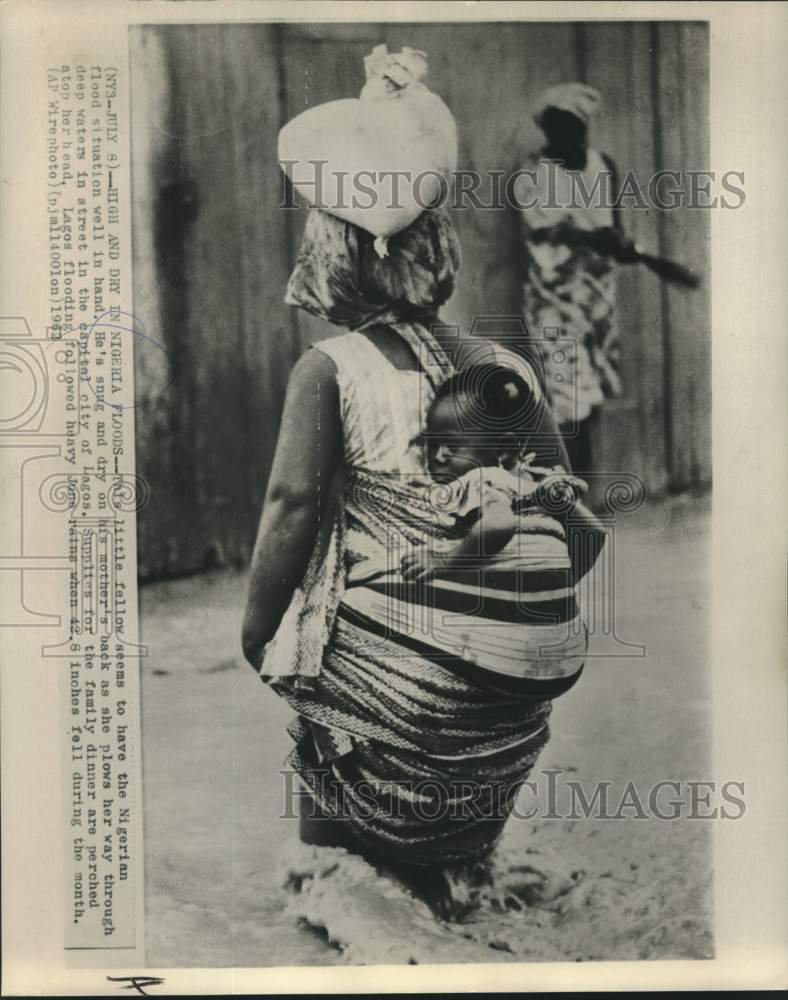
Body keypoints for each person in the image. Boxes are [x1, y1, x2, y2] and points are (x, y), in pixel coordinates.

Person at [242, 48, 591, 906]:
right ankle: (456, 870)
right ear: (437, 246)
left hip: (400, 708)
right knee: (458, 842)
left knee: (318, 714)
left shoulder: (330, 370)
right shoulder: (503, 366)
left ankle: (338, 877)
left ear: (331, 254)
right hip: (505, 722)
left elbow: (290, 509)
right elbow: (566, 517)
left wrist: (257, 631)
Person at [399, 363, 601, 700]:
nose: (438, 456)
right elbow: (593, 534)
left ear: (503, 450)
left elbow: (499, 524)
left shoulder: (482, 480)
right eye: (431, 444)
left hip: (511, 653)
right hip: (567, 651)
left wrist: (445, 559)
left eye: (452, 445)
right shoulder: (530, 483)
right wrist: (555, 583)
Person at [518, 82, 638, 475]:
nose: (566, 136)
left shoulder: (603, 165)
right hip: (553, 300)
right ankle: (574, 492)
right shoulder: (533, 172)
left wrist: (619, 244)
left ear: (584, 129)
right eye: (557, 129)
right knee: (565, 393)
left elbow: (614, 228)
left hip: (597, 300)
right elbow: (542, 231)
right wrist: (591, 237)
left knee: (592, 393)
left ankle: (583, 489)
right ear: (546, 131)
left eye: (574, 128)